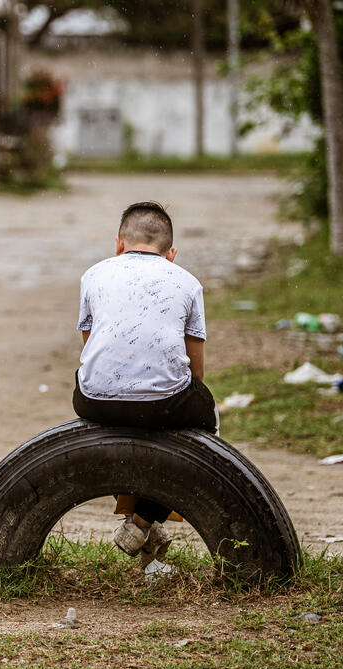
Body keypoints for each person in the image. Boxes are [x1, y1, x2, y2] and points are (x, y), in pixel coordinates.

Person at [73, 201, 217, 568]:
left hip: (92, 398)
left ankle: (137, 522)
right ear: (171, 254)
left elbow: (91, 349)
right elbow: (195, 372)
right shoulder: (186, 282)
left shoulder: (93, 275)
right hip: (163, 401)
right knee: (204, 425)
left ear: (119, 244)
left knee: (123, 423)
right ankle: (143, 519)